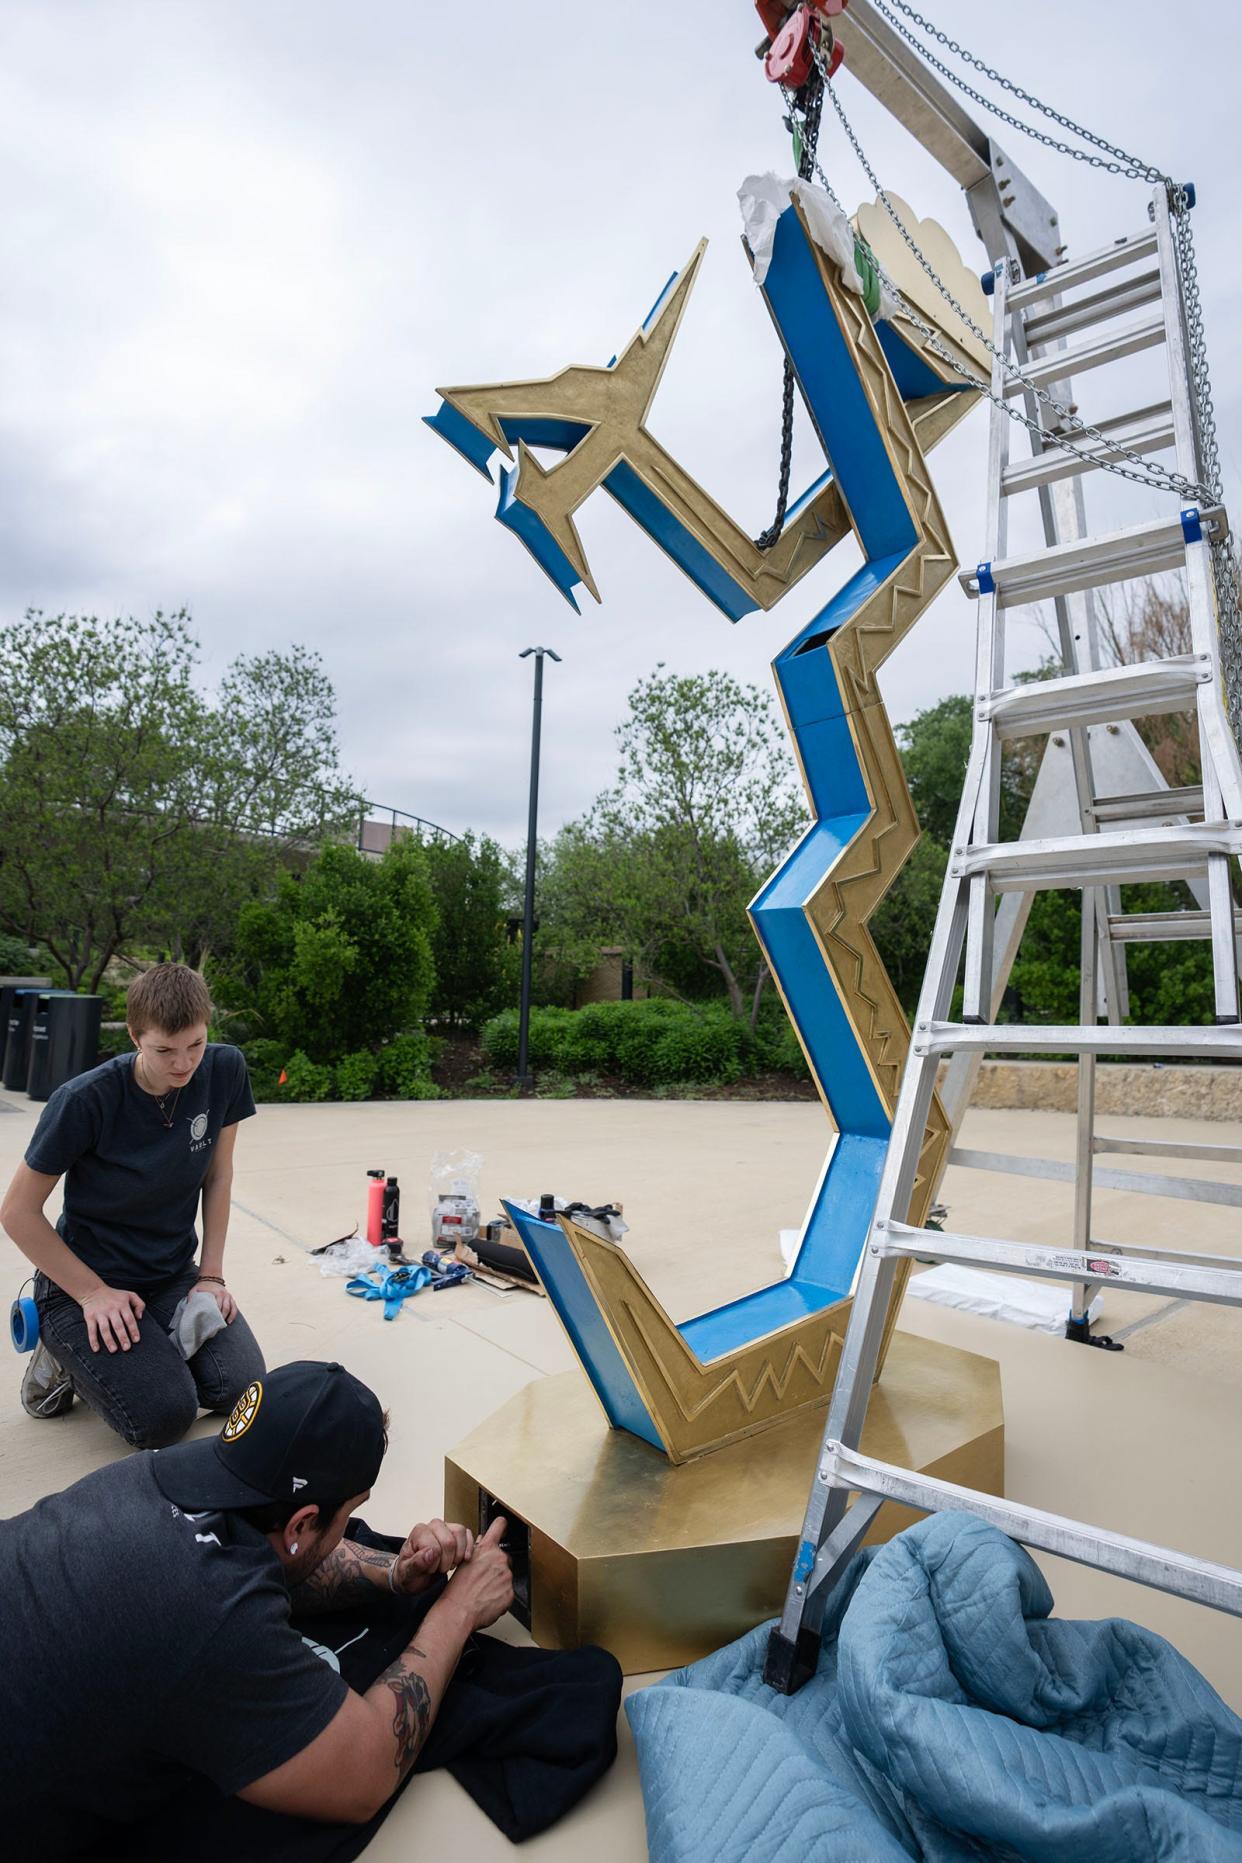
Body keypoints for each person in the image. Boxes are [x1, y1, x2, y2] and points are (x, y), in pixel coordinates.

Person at [0, 1358, 517, 1858]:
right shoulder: (210, 1612)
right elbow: (364, 1774)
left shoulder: (142, 1475)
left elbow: (273, 1566)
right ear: (300, 1524)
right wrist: (458, 1608)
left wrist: (393, 1574)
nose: (348, 1529)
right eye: (349, 1514)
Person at [0, 961, 264, 1447]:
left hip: (168, 1271)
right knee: (166, 1417)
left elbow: (218, 1174)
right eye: (165, 1049)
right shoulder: (83, 1100)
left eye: (195, 1045)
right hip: (84, 1280)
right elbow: (16, 1212)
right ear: (134, 1036)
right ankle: (60, 1349)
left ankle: (145, 1351)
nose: (184, 1064)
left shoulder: (225, 1069)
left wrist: (210, 1275)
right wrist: (92, 1294)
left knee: (242, 1388)